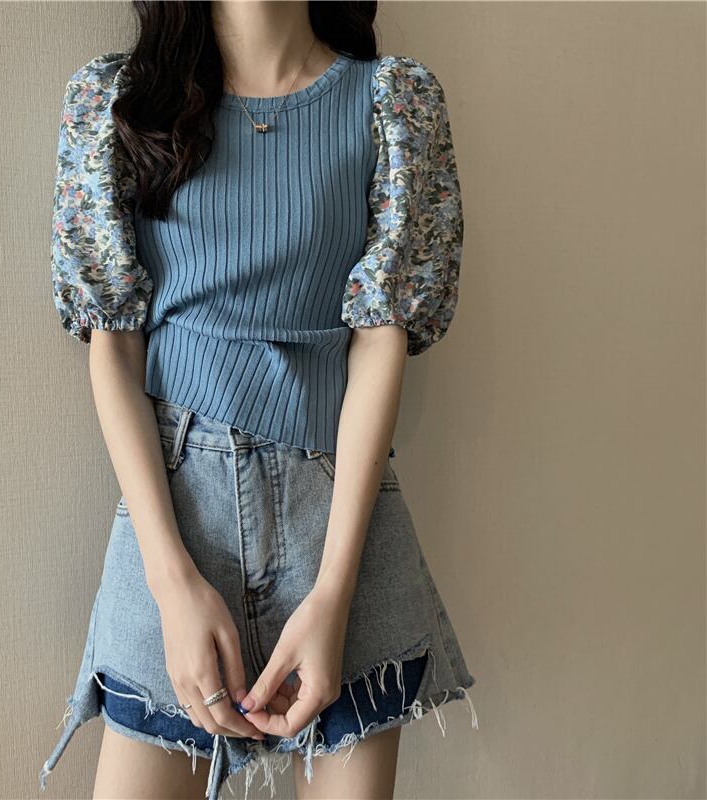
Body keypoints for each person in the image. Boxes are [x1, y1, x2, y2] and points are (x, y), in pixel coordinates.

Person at [38, 2, 477, 798]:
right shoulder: (118, 103)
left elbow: (382, 338)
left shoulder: (393, 103)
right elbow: (113, 340)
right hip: (176, 516)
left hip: (338, 521)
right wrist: (170, 583)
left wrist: (334, 592)